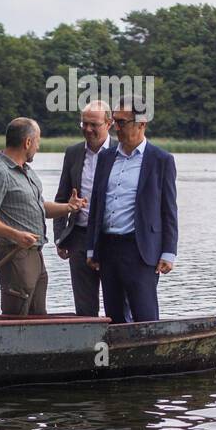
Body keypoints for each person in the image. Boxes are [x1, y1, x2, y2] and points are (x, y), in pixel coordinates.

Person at [0, 118, 87, 315]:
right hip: (14, 254)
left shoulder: (26, 171)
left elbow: (39, 207)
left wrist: (69, 207)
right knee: (16, 315)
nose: (38, 146)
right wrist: (16, 235)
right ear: (27, 142)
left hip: (35, 255)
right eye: (37, 141)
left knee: (37, 316)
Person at [85, 97, 178, 324]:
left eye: (122, 122)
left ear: (141, 123)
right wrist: (91, 248)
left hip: (141, 250)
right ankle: (120, 359)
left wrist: (169, 252)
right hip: (108, 249)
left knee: (144, 316)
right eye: (115, 121)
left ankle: (151, 357)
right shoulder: (106, 157)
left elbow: (169, 210)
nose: (117, 128)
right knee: (113, 317)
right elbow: (96, 205)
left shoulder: (161, 160)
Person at [53, 99, 117, 316]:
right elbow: (62, 197)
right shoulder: (73, 153)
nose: (88, 129)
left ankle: (117, 345)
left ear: (109, 123)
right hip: (79, 237)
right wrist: (60, 236)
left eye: (94, 125)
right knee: (84, 306)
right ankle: (89, 346)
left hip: (111, 237)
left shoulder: (121, 152)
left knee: (116, 301)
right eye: (84, 124)